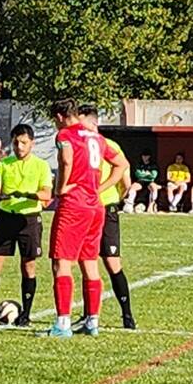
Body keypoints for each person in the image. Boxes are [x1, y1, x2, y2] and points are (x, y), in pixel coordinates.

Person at [44, 99, 129, 338]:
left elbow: (66, 160)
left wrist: (61, 187)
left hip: (74, 205)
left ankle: (63, 323)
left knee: (61, 262)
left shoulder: (65, 135)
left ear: (60, 116)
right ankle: (92, 321)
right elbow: (121, 163)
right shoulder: (96, 137)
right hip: (95, 206)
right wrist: (100, 188)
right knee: (89, 263)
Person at [0, 124, 52, 327]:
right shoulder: (3, 165)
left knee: (28, 266)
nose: (19, 146)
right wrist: (4, 195)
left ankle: (26, 314)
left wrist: (27, 194)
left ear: (32, 144)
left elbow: (46, 195)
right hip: (6, 218)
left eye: (24, 143)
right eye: (16, 142)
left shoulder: (41, 166)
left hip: (30, 219)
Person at [79, 105, 135, 329]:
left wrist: (105, 191)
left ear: (94, 125)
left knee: (112, 262)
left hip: (105, 208)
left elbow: (124, 173)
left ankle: (127, 315)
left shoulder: (108, 145)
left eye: (83, 126)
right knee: (86, 262)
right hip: (85, 209)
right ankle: (88, 314)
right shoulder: (78, 145)